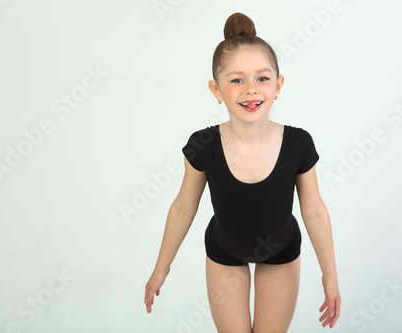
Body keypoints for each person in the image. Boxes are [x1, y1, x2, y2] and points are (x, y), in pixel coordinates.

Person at [144, 12, 340, 332]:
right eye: (237, 80)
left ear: (278, 85)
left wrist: (329, 277)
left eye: (262, 78)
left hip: (280, 252)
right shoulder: (203, 144)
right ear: (216, 89)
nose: (251, 89)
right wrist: (160, 269)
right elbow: (183, 207)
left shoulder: (298, 143)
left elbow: (315, 210)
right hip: (225, 252)